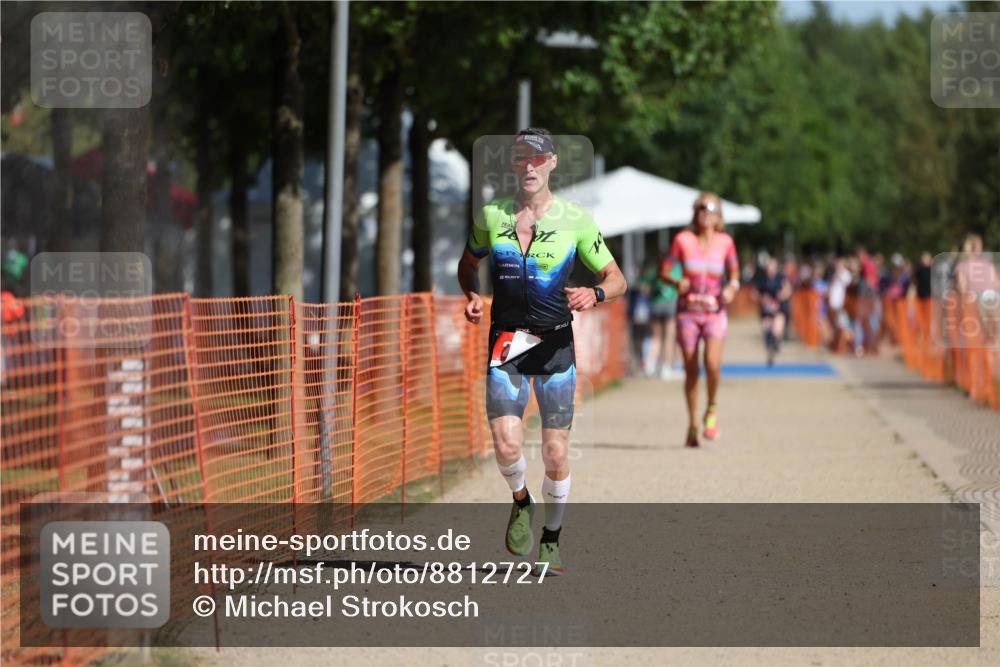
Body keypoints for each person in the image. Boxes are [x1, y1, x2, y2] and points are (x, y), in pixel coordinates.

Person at [456, 128, 627, 575]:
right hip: (507, 342)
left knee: (554, 453)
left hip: (554, 346)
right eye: (520, 159)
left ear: (551, 163)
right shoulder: (492, 216)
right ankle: (520, 501)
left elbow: (617, 278)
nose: (528, 167)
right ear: (513, 165)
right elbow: (468, 262)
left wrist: (596, 294)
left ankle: (551, 536)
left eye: (536, 159)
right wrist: (471, 294)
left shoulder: (575, 219)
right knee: (507, 444)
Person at [660, 193, 740, 448]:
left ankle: (712, 410)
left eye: (712, 208)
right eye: (701, 208)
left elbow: (735, 273)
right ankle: (693, 423)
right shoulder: (682, 240)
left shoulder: (726, 242)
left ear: (720, 215)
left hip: (715, 312)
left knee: (713, 364)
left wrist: (732, 288)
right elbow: (664, 271)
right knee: (692, 369)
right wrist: (676, 281)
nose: (706, 212)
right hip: (688, 312)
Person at [753, 256, 792, 366]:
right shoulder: (762, 279)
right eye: (769, 265)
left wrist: (781, 296)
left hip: (779, 308)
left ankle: (776, 344)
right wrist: (761, 299)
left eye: (773, 265)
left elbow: (788, 290)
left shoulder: (781, 278)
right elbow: (754, 293)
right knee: (766, 332)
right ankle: (770, 351)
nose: (771, 268)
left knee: (777, 331)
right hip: (766, 310)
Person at [650, 253, 682, 378]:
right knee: (669, 337)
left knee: (656, 338)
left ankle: (651, 365)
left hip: (656, 304)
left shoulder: (657, 270)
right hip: (670, 305)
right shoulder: (676, 268)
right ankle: (666, 367)